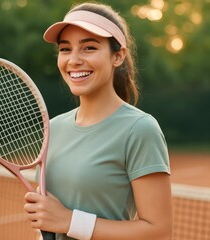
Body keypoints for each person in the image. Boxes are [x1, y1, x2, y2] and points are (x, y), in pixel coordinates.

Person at [24, 2, 172, 240]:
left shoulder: (139, 129)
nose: (73, 60)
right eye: (65, 49)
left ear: (118, 56)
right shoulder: (53, 127)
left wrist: (69, 221)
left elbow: (159, 232)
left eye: (89, 48)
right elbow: (49, 220)